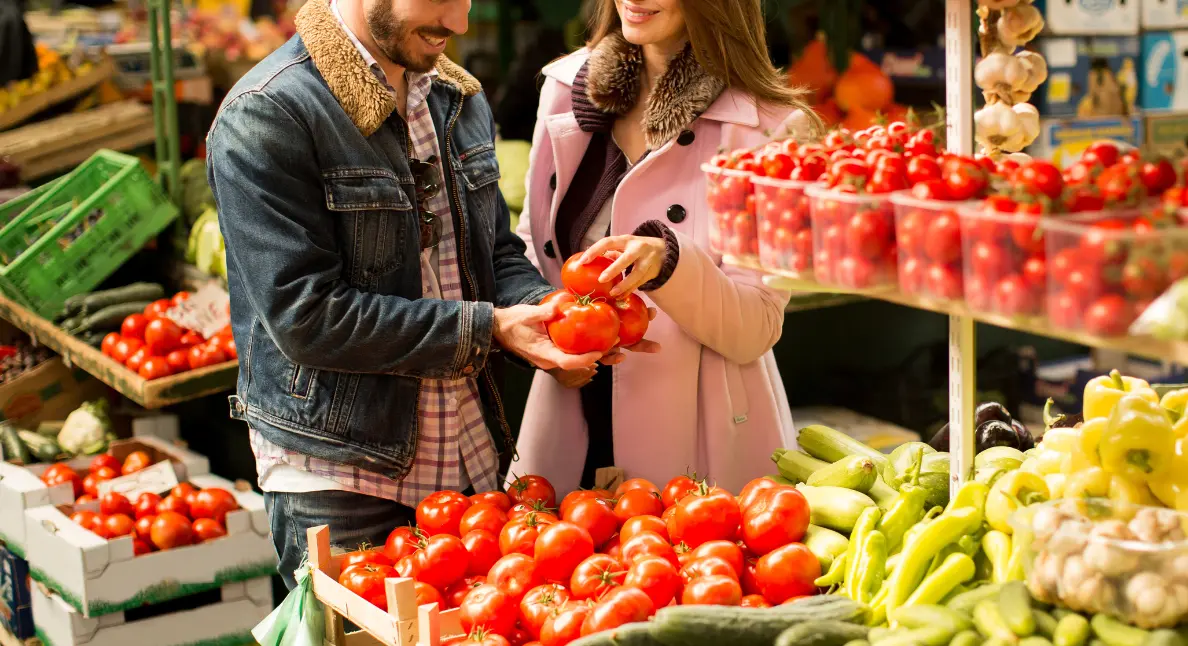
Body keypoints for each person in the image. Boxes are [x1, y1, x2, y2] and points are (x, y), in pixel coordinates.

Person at [206, 0, 608, 589]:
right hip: (342, 479)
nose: (459, 23)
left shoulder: (456, 99)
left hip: (470, 456)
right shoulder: (268, 114)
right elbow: (306, 317)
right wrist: (488, 328)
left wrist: (550, 315)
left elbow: (494, 254)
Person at [512, 0, 820, 495]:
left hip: (699, 444)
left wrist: (671, 264)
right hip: (570, 419)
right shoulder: (565, 89)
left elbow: (758, 325)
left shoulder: (768, 128)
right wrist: (544, 336)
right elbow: (532, 249)